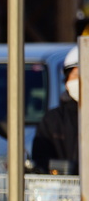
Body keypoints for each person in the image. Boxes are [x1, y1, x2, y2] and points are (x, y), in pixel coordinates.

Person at [32, 46, 80, 174]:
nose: (81, 81)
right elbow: (40, 159)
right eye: (76, 75)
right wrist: (64, 168)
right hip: (61, 191)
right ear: (66, 80)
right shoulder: (53, 120)